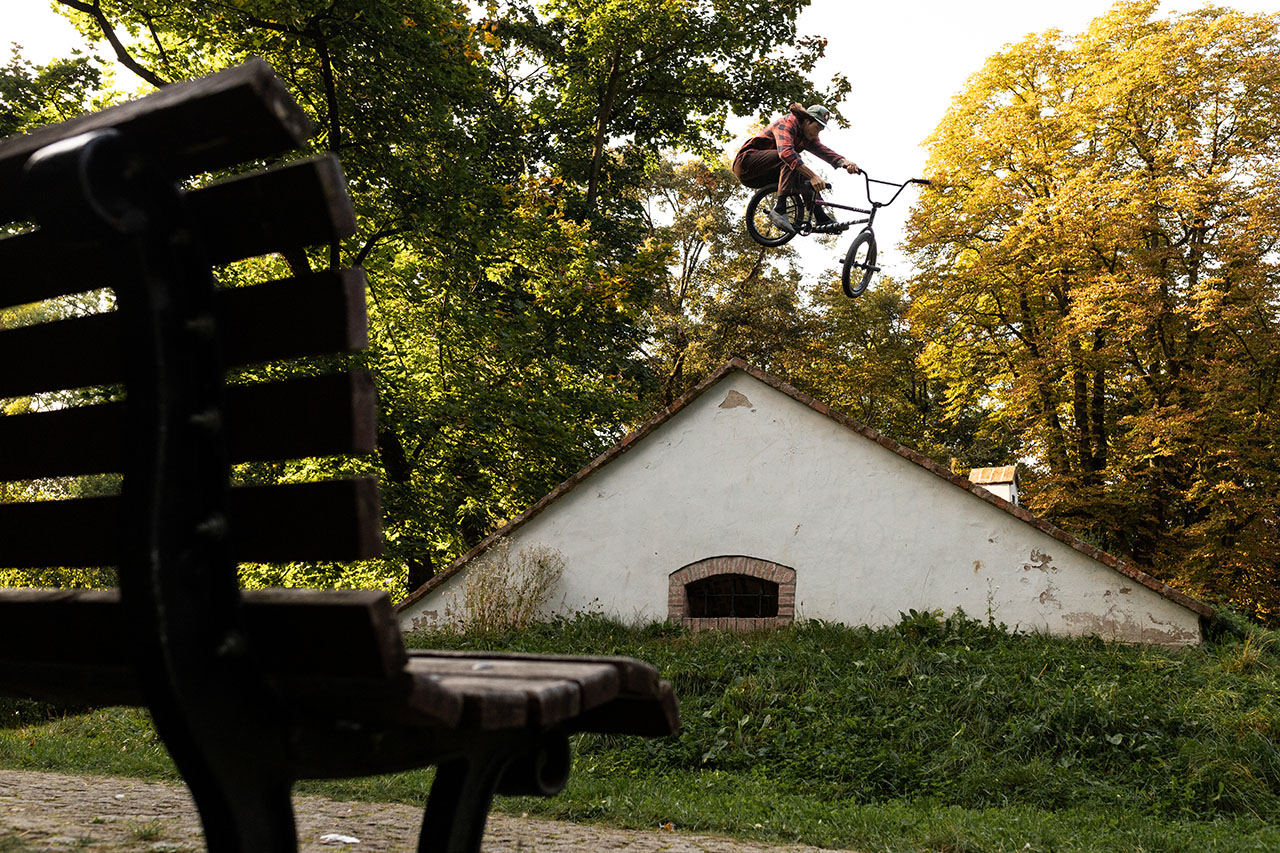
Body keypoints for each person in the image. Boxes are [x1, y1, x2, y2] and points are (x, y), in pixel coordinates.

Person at [732, 103, 860, 233]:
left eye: (821, 130)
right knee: (792, 158)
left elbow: (824, 152)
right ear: (807, 120)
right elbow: (785, 153)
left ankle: (820, 216)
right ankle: (780, 210)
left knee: (803, 176)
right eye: (816, 127)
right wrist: (813, 176)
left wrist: (845, 162)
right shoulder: (788, 122)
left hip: (762, 176)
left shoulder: (808, 136)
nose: (817, 133)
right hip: (746, 164)